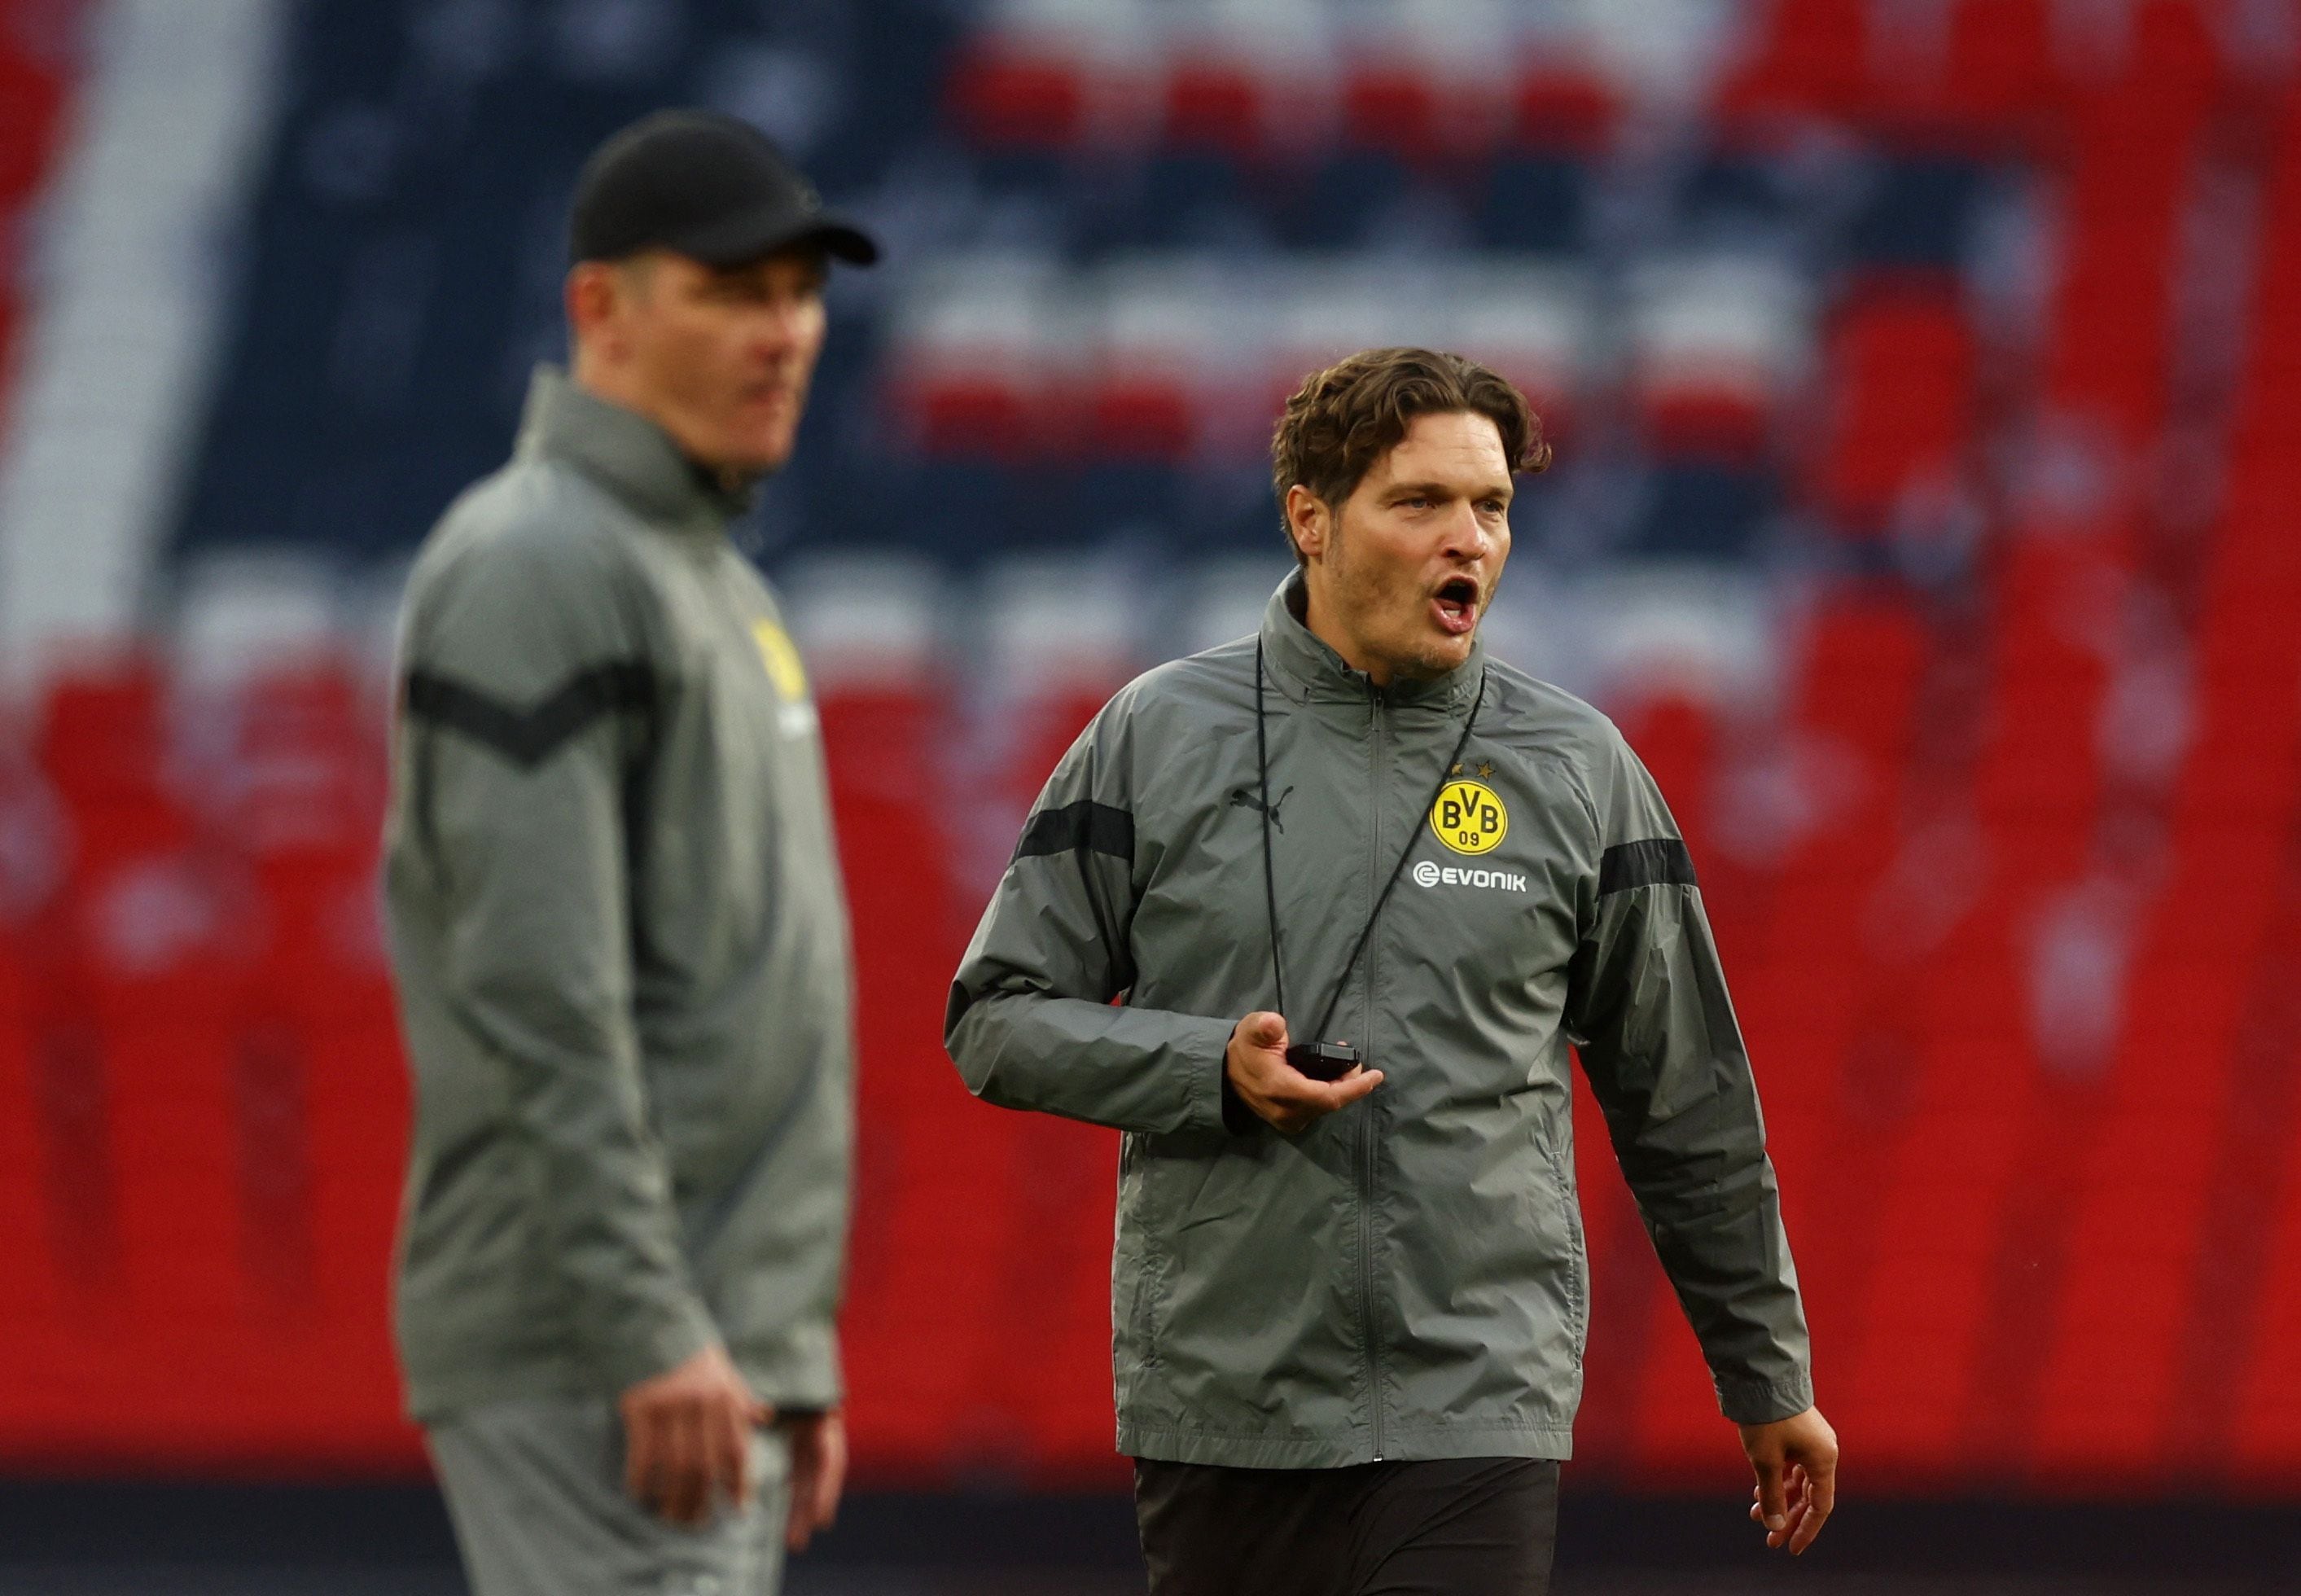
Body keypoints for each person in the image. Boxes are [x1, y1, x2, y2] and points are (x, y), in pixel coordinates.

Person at [945, 348, 1837, 1594]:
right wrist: (1208, 1067)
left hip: (1473, 1401)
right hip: (1222, 1399)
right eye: (1419, 503)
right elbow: (993, 1020)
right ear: (1310, 519)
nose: (1465, 538)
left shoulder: (1578, 769)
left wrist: (1765, 1377)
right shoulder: (1153, 737)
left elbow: (1686, 1102)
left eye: (1491, 507)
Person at [381, 110, 877, 1596]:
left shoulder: (701, 576)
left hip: (703, 1341)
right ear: (598, 308)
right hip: (602, 1344)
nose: (783, 331)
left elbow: (730, 986)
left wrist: (779, 1341)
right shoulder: (540, 559)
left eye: (800, 291)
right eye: (732, 291)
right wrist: (648, 1323)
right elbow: (538, 985)